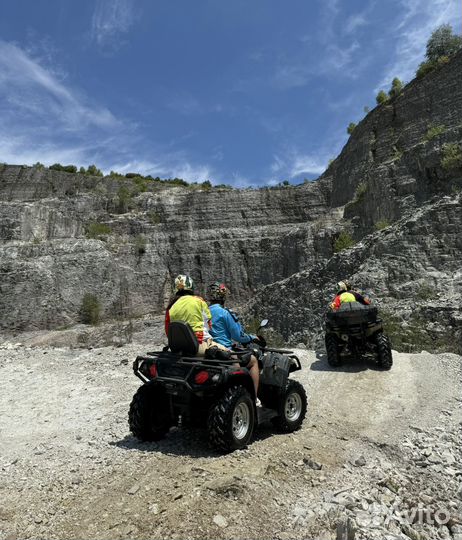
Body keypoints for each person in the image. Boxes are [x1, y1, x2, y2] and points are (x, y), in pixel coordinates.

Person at [207, 281, 260, 396]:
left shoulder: (204, 312)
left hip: (209, 351)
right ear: (223, 296)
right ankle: (254, 397)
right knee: (254, 361)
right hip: (225, 352)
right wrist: (252, 338)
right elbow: (239, 336)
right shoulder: (224, 313)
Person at [165, 274, 223, 355]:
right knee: (233, 357)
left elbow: (168, 332)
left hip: (177, 349)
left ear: (175, 288)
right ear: (191, 286)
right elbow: (209, 325)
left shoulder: (170, 306)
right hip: (199, 345)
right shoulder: (199, 301)